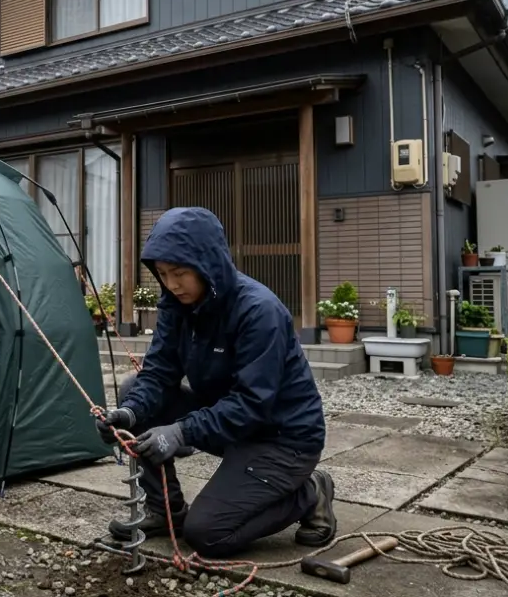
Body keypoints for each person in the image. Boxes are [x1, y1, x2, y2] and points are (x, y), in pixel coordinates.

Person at [95, 206, 335, 558]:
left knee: (208, 533)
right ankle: (165, 510)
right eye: (162, 274)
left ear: (207, 263)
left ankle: (310, 492)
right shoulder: (176, 305)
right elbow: (159, 372)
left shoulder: (258, 311)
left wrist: (180, 432)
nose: (172, 284)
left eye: (179, 273)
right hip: (232, 425)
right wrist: (128, 414)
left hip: (283, 438)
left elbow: (252, 403)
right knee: (134, 389)